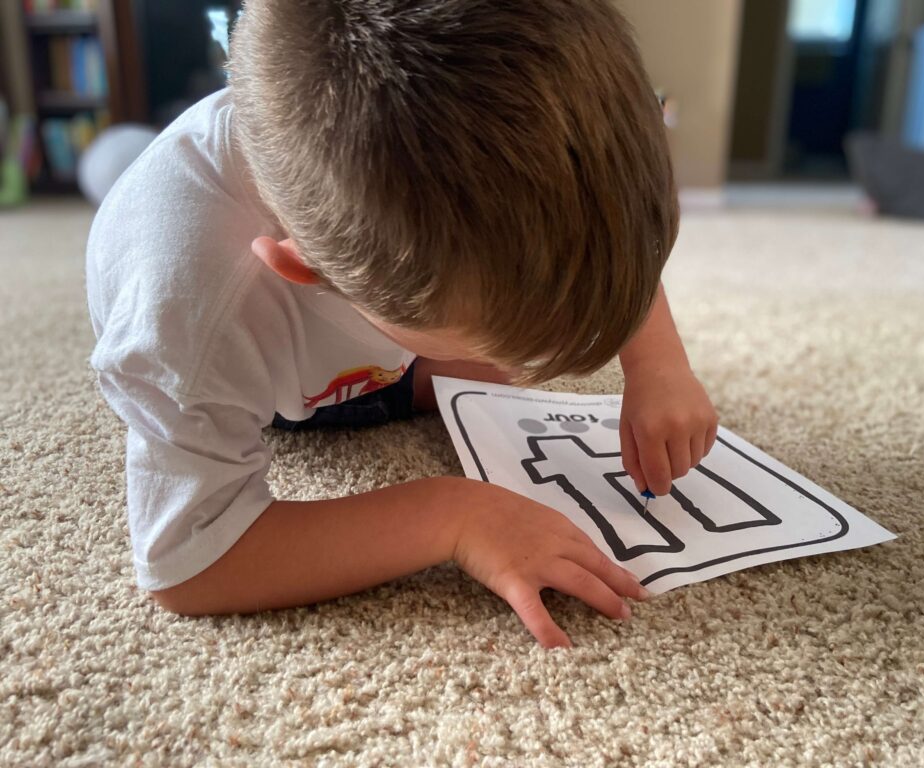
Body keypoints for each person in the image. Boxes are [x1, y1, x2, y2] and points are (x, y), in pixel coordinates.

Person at [85, 0, 718, 649]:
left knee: (510, 350)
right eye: (504, 347)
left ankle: (430, 364)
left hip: (361, 334)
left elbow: (599, 232)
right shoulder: (192, 323)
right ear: (308, 272)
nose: (534, 373)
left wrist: (660, 364)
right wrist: (454, 516)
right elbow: (188, 563)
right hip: (269, 384)